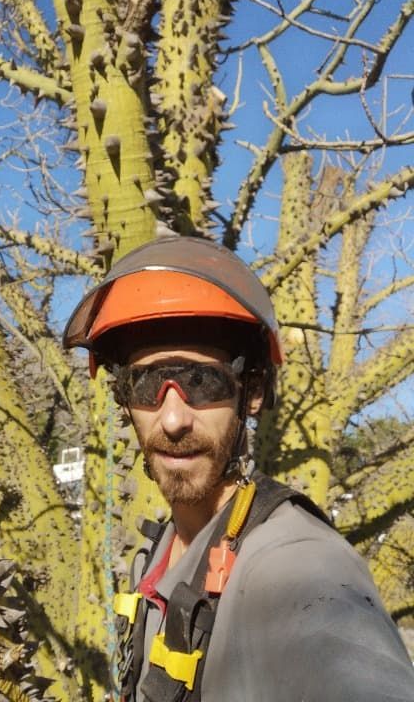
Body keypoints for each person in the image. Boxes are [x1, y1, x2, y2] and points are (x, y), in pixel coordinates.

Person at [63, 236, 414, 702]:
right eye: (147, 385)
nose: (172, 420)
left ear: (251, 393)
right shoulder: (158, 554)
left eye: (201, 381)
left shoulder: (296, 564)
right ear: (125, 402)